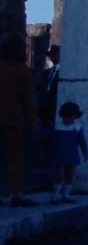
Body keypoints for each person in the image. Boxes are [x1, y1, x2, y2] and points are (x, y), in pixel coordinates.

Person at [0, 34, 37, 206]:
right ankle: (15, 192)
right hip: (12, 120)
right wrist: (31, 121)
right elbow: (27, 98)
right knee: (14, 159)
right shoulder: (20, 70)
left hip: (10, 119)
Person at [49, 102, 88, 203]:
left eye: (71, 117)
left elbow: (82, 141)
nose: (69, 119)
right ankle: (55, 196)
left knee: (70, 176)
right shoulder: (56, 127)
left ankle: (66, 195)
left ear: (75, 117)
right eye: (67, 117)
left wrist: (85, 153)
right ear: (63, 116)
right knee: (59, 176)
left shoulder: (77, 127)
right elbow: (47, 136)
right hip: (59, 155)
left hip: (72, 155)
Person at [38, 45, 60, 131]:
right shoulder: (48, 71)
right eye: (51, 55)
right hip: (45, 107)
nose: (52, 57)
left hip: (54, 106)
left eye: (55, 54)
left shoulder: (62, 71)